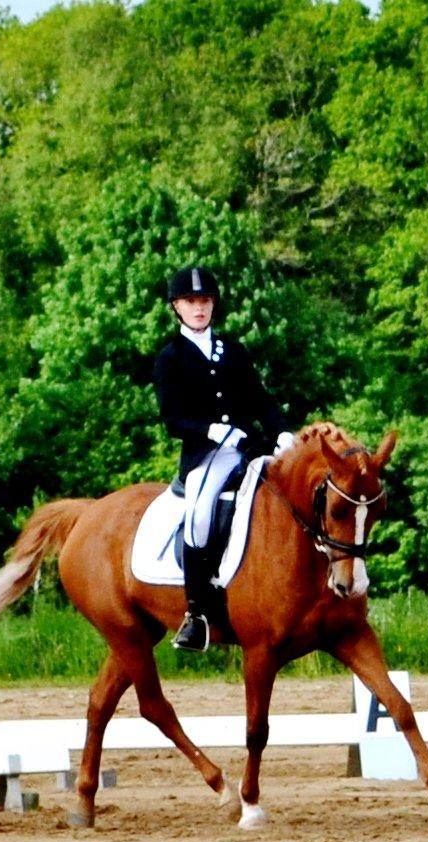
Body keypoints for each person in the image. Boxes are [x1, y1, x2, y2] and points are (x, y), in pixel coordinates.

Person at [154, 266, 294, 651]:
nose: (199, 308)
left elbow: (259, 398)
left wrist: (281, 431)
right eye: (191, 302)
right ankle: (196, 612)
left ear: (213, 305)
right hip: (206, 455)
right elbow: (172, 417)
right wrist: (209, 430)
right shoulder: (171, 357)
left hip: (249, 448)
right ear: (177, 308)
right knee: (199, 516)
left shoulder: (233, 350)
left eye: (205, 301)